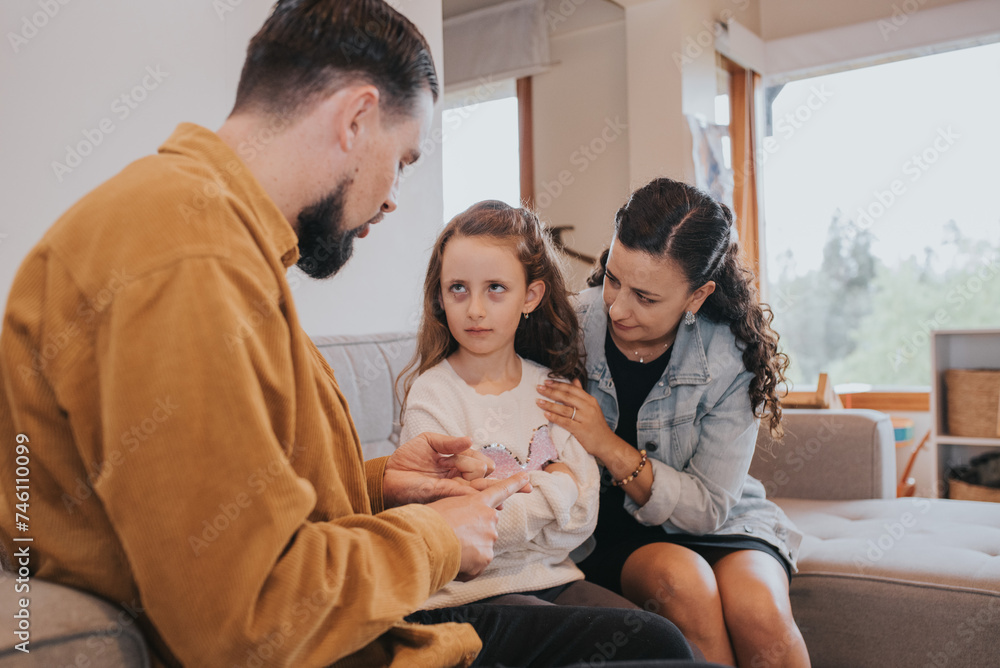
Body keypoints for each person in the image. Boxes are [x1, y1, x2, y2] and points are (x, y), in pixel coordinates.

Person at [0, 3, 699, 666]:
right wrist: (434, 537)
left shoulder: (215, 240)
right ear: (356, 119)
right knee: (654, 650)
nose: (396, 195)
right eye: (403, 160)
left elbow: (236, 503)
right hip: (335, 646)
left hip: (351, 628)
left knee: (654, 643)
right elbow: (246, 622)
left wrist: (380, 485)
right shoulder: (185, 259)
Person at [536, 177, 811, 667]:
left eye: (645, 296)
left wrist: (609, 445)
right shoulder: (566, 328)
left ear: (697, 295)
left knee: (760, 612)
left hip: (720, 516)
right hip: (614, 528)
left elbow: (709, 507)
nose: (617, 307)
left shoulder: (732, 355)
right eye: (613, 278)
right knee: (683, 583)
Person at [399, 201, 632, 610]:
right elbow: (455, 531)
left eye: (495, 288)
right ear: (440, 296)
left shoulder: (554, 389)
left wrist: (504, 499)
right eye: (458, 288)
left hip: (555, 579)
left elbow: (580, 520)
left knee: (662, 640)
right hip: (466, 597)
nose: (474, 309)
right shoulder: (433, 394)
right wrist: (557, 485)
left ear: (530, 296)